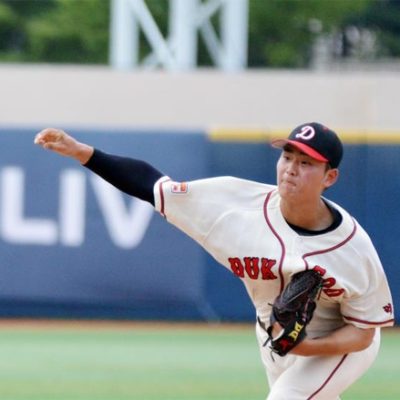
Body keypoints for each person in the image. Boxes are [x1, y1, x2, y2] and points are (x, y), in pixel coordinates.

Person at [34, 122, 394, 400]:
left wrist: (307, 347)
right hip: (272, 333)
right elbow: (152, 186)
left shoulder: (352, 247)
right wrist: (82, 153)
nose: (290, 169)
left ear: (330, 177)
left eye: (306, 163)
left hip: (339, 341)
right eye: (287, 157)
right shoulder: (234, 206)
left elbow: (363, 333)